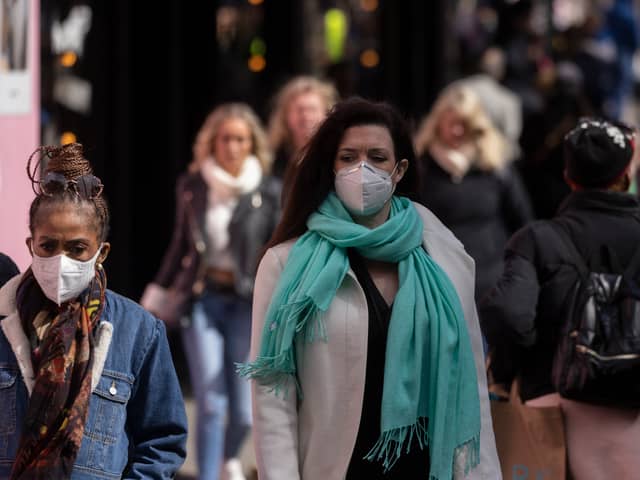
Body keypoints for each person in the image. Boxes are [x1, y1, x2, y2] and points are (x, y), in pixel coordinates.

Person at [239, 97, 501, 479]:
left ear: (399, 170)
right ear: (331, 166)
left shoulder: (442, 253)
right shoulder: (287, 264)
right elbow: (272, 394)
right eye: (348, 157)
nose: (362, 169)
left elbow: (471, 382)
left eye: (377, 157)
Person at [0, 143, 187, 479]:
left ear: (101, 253)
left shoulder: (139, 331)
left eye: (77, 248)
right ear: (31, 245)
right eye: (48, 246)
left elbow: (162, 440)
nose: (61, 260)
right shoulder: (4, 323)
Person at [480, 118, 640, 479]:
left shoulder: (537, 239)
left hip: (553, 415)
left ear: (568, 175)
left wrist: (529, 364)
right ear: (626, 174)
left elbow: (507, 315)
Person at [141, 102, 276, 480]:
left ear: (252, 145)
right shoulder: (193, 186)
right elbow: (181, 246)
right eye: (225, 139)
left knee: (245, 410)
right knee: (211, 402)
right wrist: (157, 294)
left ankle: (228, 458)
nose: (232, 147)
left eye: (240, 139)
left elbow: (277, 249)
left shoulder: (267, 190)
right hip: (202, 300)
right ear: (212, 143)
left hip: (246, 303)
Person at [414, 84, 534, 301]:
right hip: (439, 287)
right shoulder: (421, 169)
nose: (457, 131)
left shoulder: (495, 166)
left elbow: (522, 222)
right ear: (438, 123)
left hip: (492, 287)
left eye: (464, 124)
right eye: (452, 124)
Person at [267, 75, 338, 181]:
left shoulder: (339, 157)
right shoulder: (271, 160)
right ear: (285, 116)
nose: (306, 116)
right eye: (300, 110)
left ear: (326, 114)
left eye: (312, 109)